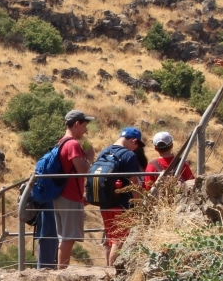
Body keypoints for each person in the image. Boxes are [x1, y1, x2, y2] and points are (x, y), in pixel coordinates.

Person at [34, 109, 94, 269]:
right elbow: (83, 170)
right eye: (84, 125)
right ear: (76, 124)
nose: (85, 130)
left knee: (65, 236)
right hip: (70, 196)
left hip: (61, 195)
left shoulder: (61, 142)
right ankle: (62, 273)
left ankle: (61, 271)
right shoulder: (73, 144)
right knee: (69, 237)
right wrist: (89, 157)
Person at [94, 127, 143, 266]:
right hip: (122, 204)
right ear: (134, 141)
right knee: (119, 239)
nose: (136, 148)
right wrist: (138, 202)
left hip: (105, 202)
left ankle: (108, 269)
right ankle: (113, 273)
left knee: (110, 237)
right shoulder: (129, 155)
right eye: (137, 145)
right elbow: (133, 183)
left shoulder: (104, 152)